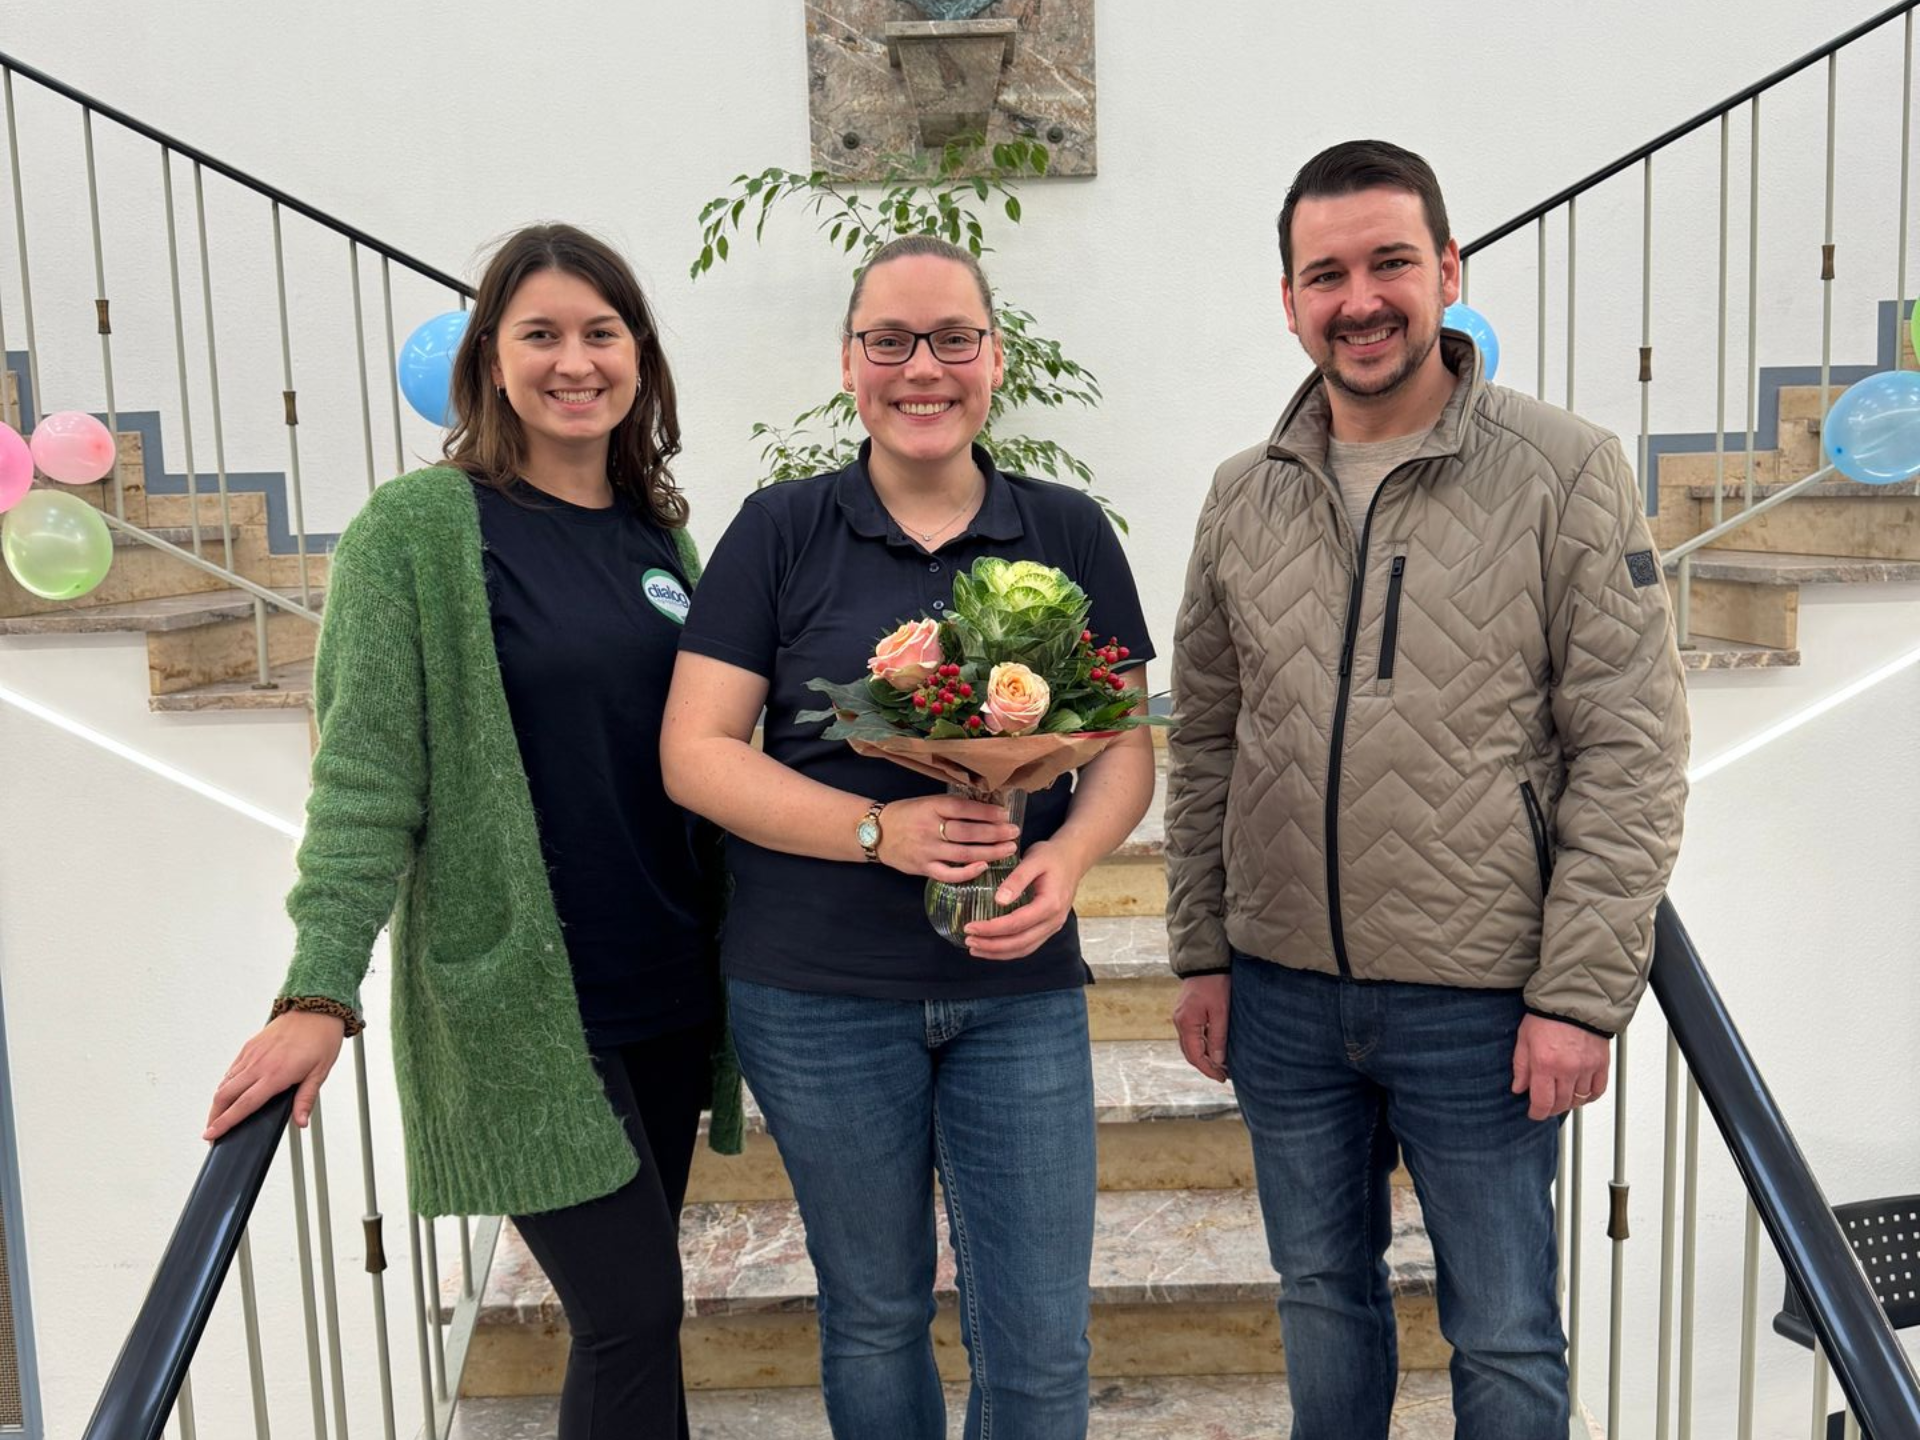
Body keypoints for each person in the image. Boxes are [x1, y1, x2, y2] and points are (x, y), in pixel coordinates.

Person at [1166, 140, 1689, 1437]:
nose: (1361, 300)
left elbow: (1630, 747)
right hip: (1282, 992)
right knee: (1319, 1296)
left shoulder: (1565, 470)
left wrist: (1578, 995)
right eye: (1326, 274)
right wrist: (1201, 951)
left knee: (1503, 1335)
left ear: (1449, 272)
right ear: (1289, 299)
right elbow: (1209, 739)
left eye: (1391, 262)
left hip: (1484, 1002)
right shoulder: (1242, 496)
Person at [202, 223, 742, 1440]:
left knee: (631, 1319)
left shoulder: (662, 538)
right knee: (631, 1315)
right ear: (490, 358)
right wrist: (318, 991)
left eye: (601, 333)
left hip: (669, 989)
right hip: (523, 1008)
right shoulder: (418, 530)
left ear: (640, 355)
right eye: (540, 334)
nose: (574, 361)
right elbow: (364, 781)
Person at [660, 234, 1155, 1440]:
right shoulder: (779, 530)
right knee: (876, 1314)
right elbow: (697, 752)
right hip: (817, 993)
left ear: (996, 361)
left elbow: (1124, 748)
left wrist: (1066, 859)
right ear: (849, 364)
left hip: (1017, 989)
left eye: (952, 339)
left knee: (1040, 1340)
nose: (921, 367)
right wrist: (878, 829)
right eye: (889, 340)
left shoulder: (1068, 531)